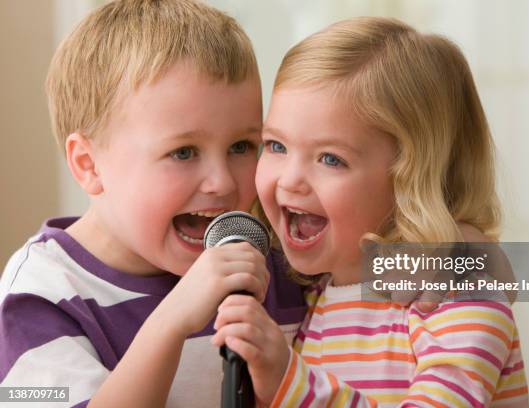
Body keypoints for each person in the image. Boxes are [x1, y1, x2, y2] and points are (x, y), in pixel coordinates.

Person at [0, 1, 307, 406]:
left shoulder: (270, 256)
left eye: (241, 146)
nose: (222, 182)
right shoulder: (41, 294)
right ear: (88, 164)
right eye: (183, 152)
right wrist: (171, 320)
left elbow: (405, 274)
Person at [212, 17, 529, 407]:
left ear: (410, 178)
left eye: (331, 158)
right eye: (276, 145)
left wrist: (288, 379)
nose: (290, 179)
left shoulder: (451, 291)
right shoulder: (310, 289)